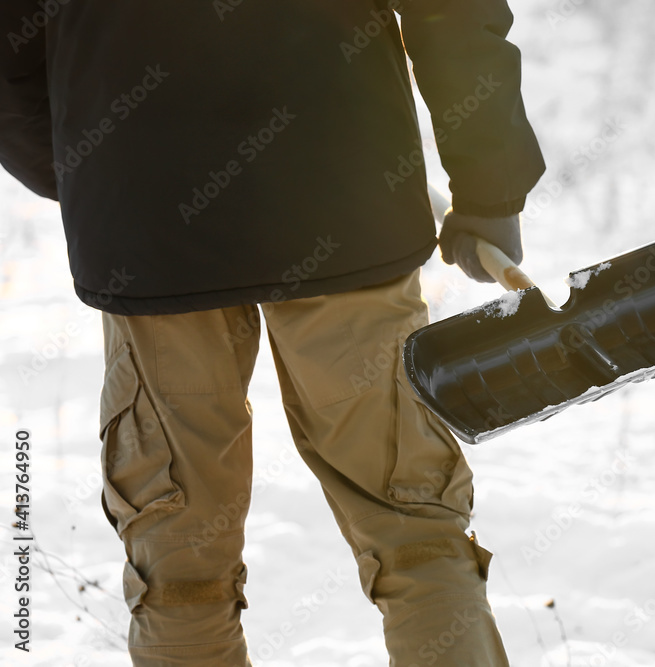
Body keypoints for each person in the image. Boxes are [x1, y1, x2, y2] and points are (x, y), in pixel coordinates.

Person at [0, 0, 545, 664]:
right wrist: (490, 185)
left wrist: (100, 167)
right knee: (415, 530)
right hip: (343, 189)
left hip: (149, 225)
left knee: (181, 569)